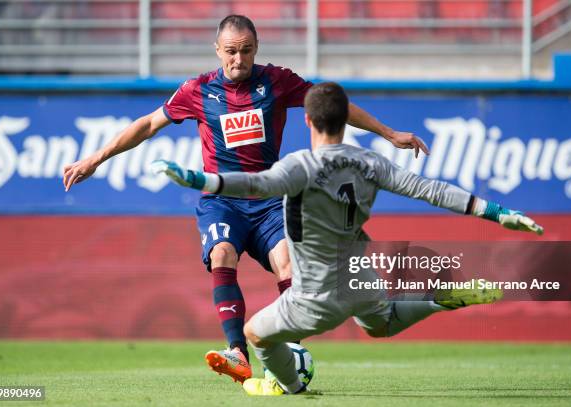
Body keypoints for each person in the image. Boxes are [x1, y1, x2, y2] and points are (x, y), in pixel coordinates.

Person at [62, 14, 428, 383]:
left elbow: (331, 104)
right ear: (217, 50)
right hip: (222, 200)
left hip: (268, 197)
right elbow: (147, 124)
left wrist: (388, 132)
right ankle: (237, 352)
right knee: (222, 253)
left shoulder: (277, 81)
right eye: (231, 52)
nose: (239, 60)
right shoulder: (197, 90)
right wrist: (95, 158)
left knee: (288, 263)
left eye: (247, 51)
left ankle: (293, 351)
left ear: (257, 49)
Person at [151, 81, 544, 395]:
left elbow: (253, 183)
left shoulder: (299, 166)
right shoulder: (372, 162)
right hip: (360, 277)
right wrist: (499, 213)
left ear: (307, 121)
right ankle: (438, 299)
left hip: (315, 297)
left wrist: (199, 179)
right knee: (382, 325)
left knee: (255, 334)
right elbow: (433, 191)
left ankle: (284, 384)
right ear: (345, 120)